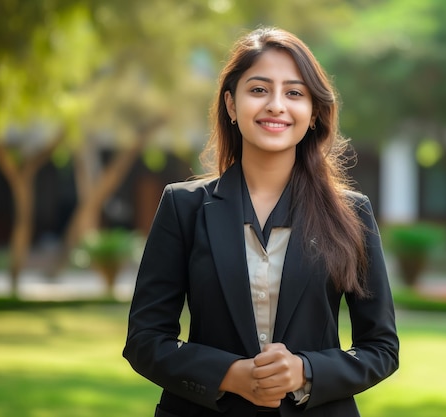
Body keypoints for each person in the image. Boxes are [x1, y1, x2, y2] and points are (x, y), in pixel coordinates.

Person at [123, 26, 399, 417]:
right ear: (231, 105)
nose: (275, 105)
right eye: (258, 90)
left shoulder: (352, 213)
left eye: (294, 93)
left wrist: (304, 371)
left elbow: (382, 349)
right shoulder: (182, 207)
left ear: (314, 112)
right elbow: (145, 340)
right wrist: (231, 375)